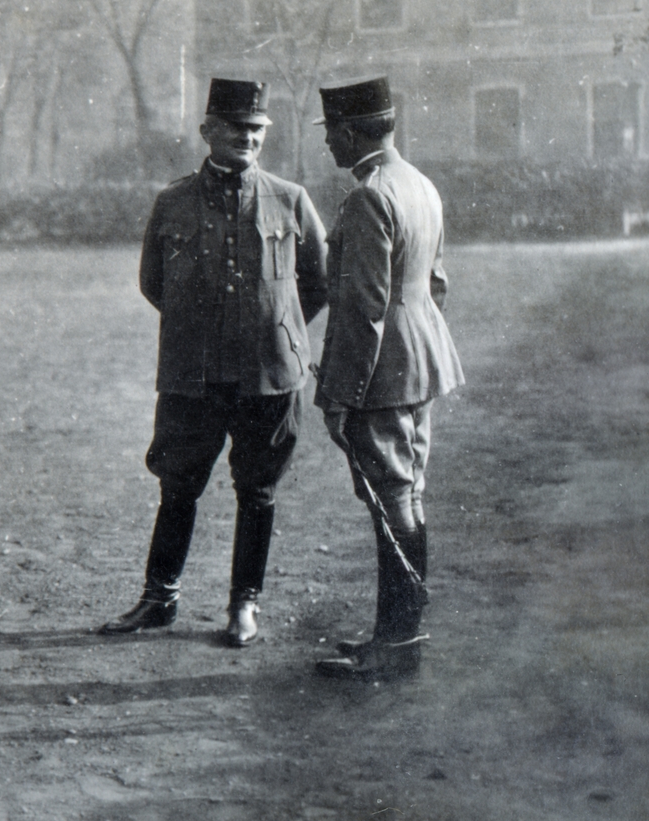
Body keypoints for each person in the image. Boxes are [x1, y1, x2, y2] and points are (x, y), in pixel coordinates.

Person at [100, 78, 328, 646]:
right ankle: (159, 599)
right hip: (192, 374)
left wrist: (277, 327)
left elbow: (317, 283)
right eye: (234, 128)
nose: (247, 138)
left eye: (256, 130)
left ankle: (243, 604)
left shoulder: (290, 198)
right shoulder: (172, 201)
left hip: (266, 375)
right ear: (207, 132)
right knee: (178, 486)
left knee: (258, 491)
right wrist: (198, 328)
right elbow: (153, 282)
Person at [311, 76, 464, 681]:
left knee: (391, 498)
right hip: (420, 363)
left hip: (380, 374)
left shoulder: (369, 197)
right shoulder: (420, 184)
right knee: (407, 493)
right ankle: (399, 637)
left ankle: (397, 645)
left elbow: (365, 307)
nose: (329, 147)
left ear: (351, 133)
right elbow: (438, 284)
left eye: (332, 136)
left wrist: (340, 397)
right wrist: (415, 351)